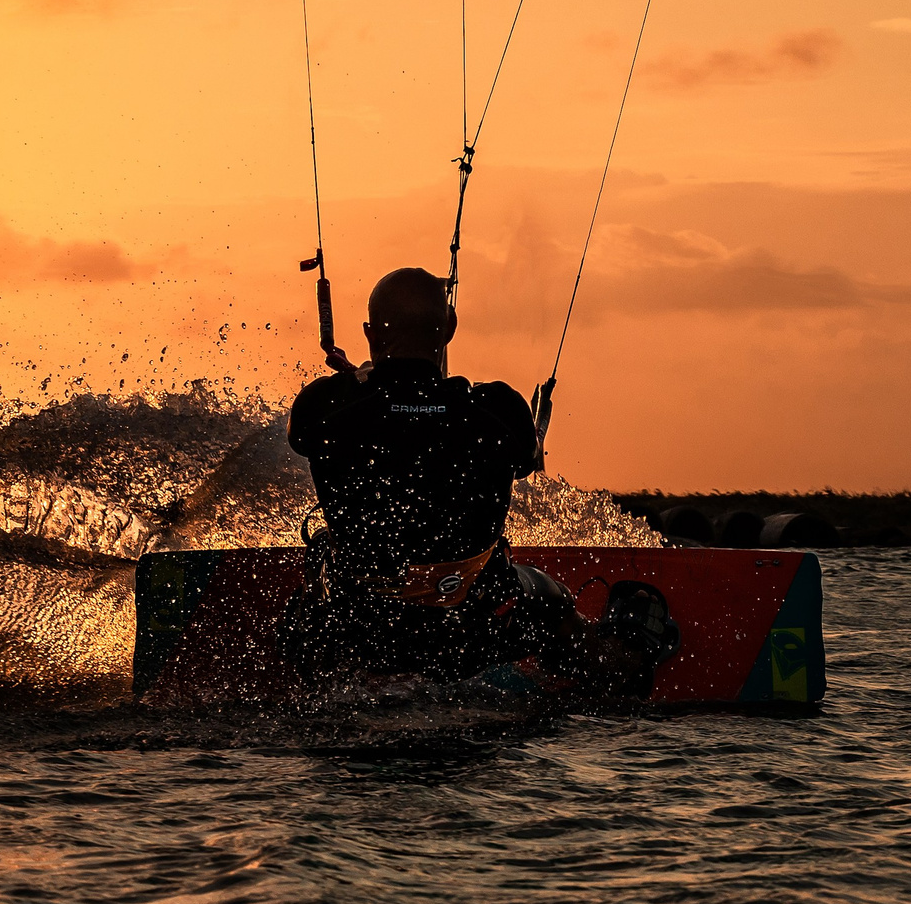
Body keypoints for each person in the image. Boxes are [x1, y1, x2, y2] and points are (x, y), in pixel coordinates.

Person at [281, 267, 674, 695]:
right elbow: (523, 458)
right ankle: (622, 661)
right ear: (449, 328)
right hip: (475, 629)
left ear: (370, 334)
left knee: (319, 574)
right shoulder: (499, 410)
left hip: (363, 629)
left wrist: (363, 382)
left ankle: (314, 683)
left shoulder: (325, 405)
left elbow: (357, 422)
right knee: (547, 596)